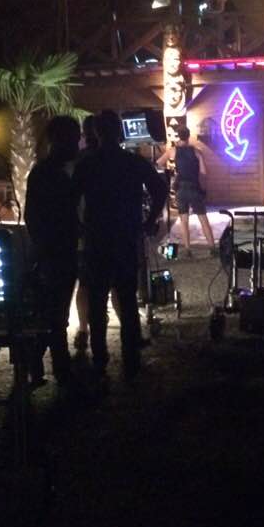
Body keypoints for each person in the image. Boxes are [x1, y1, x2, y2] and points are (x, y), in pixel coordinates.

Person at [72, 110, 168, 378]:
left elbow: (70, 198)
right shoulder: (132, 162)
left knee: (97, 300)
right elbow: (160, 189)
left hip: (97, 238)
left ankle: (100, 359)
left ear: (97, 132)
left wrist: (79, 225)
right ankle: (131, 358)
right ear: (120, 131)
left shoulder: (88, 164)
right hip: (126, 236)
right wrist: (149, 220)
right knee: (127, 299)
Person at [24, 115, 82, 385]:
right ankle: (59, 368)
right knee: (56, 314)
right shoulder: (52, 173)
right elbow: (37, 216)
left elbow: (32, 216)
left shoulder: (45, 171)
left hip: (55, 249)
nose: (77, 144)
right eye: (74, 139)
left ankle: (41, 364)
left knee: (54, 312)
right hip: (56, 251)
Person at [157, 126, 216, 258]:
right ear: (189, 136)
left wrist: (172, 171)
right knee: (203, 219)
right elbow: (204, 172)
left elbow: (159, 163)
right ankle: (212, 248)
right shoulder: (197, 151)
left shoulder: (173, 151)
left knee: (184, 221)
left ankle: (188, 249)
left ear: (178, 136)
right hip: (194, 187)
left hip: (181, 189)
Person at [72, 114, 98, 353]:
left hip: (83, 234)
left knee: (85, 284)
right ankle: (128, 332)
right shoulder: (106, 160)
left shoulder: (77, 161)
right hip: (98, 233)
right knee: (116, 284)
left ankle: (83, 330)